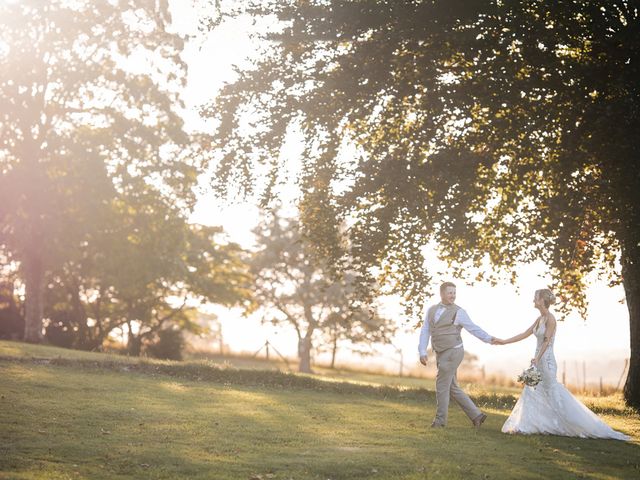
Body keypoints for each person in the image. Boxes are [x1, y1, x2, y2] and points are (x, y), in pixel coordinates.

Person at [494, 288, 629, 440]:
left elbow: (546, 340)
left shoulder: (551, 319)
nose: (533, 300)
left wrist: (538, 358)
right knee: (534, 391)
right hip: (537, 360)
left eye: (535, 298)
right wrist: (503, 342)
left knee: (551, 391)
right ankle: (530, 425)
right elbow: (524, 334)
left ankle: (569, 423)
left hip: (546, 360)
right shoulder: (539, 319)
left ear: (542, 301)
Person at [418, 281, 497, 428]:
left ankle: (440, 422)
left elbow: (473, 328)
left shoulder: (459, 312)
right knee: (452, 387)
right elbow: (425, 331)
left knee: (441, 385)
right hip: (440, 352)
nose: (453, 296)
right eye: (450, 292)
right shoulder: (431, 310)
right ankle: (477, 416)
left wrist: (489, 339)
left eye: (454, 293)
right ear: (441, 293)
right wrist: (422, 351)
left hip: (454, 351)